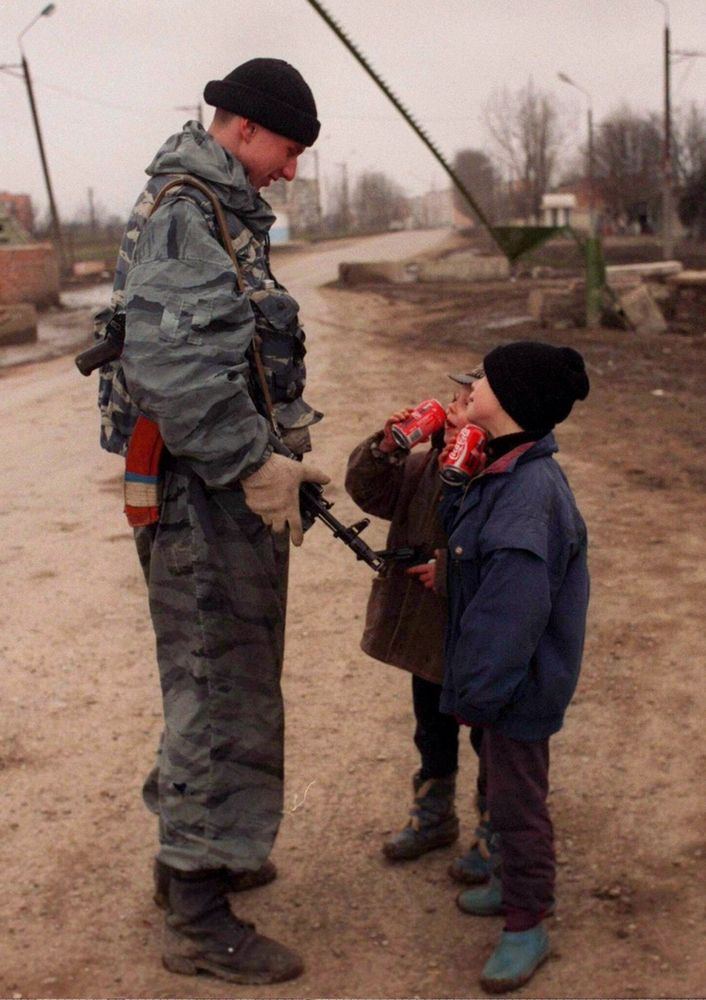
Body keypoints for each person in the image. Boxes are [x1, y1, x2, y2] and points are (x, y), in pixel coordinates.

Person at [97, 60, 330, 985]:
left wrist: (279, 454)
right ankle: (197, 910)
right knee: (216, 686)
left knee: (231, 677)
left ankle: (201, 852)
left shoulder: (220, 212)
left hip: (221, 493)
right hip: (203, 498)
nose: (292, 169)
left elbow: (238, 358)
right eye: (289, 149)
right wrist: (256, 464)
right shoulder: (190, 214)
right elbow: (178, 376)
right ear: (243, 130)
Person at [439, 341, 590, 993]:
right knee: (502, 790)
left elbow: (512, 614)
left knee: (519, 805)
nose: (472, 382)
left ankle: (527, 923)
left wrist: (478, 692)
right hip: (503, 683)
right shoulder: (502, 465)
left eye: (487, 377)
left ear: (516, 404)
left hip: (517, 687)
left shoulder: (529, 495)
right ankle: (505, 882)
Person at [344, 371, 498, 883]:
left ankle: (497, 828)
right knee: (431, 726)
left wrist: (452, 570)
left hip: (480, 637)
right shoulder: (425, 469)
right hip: (429, 635)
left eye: (466, 403)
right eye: (452, 404)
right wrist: (384, 447)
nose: (454, 413)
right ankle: (434, 813)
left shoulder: (502, 481)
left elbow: (507, 558)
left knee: (489, 735)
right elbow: (368, 491)